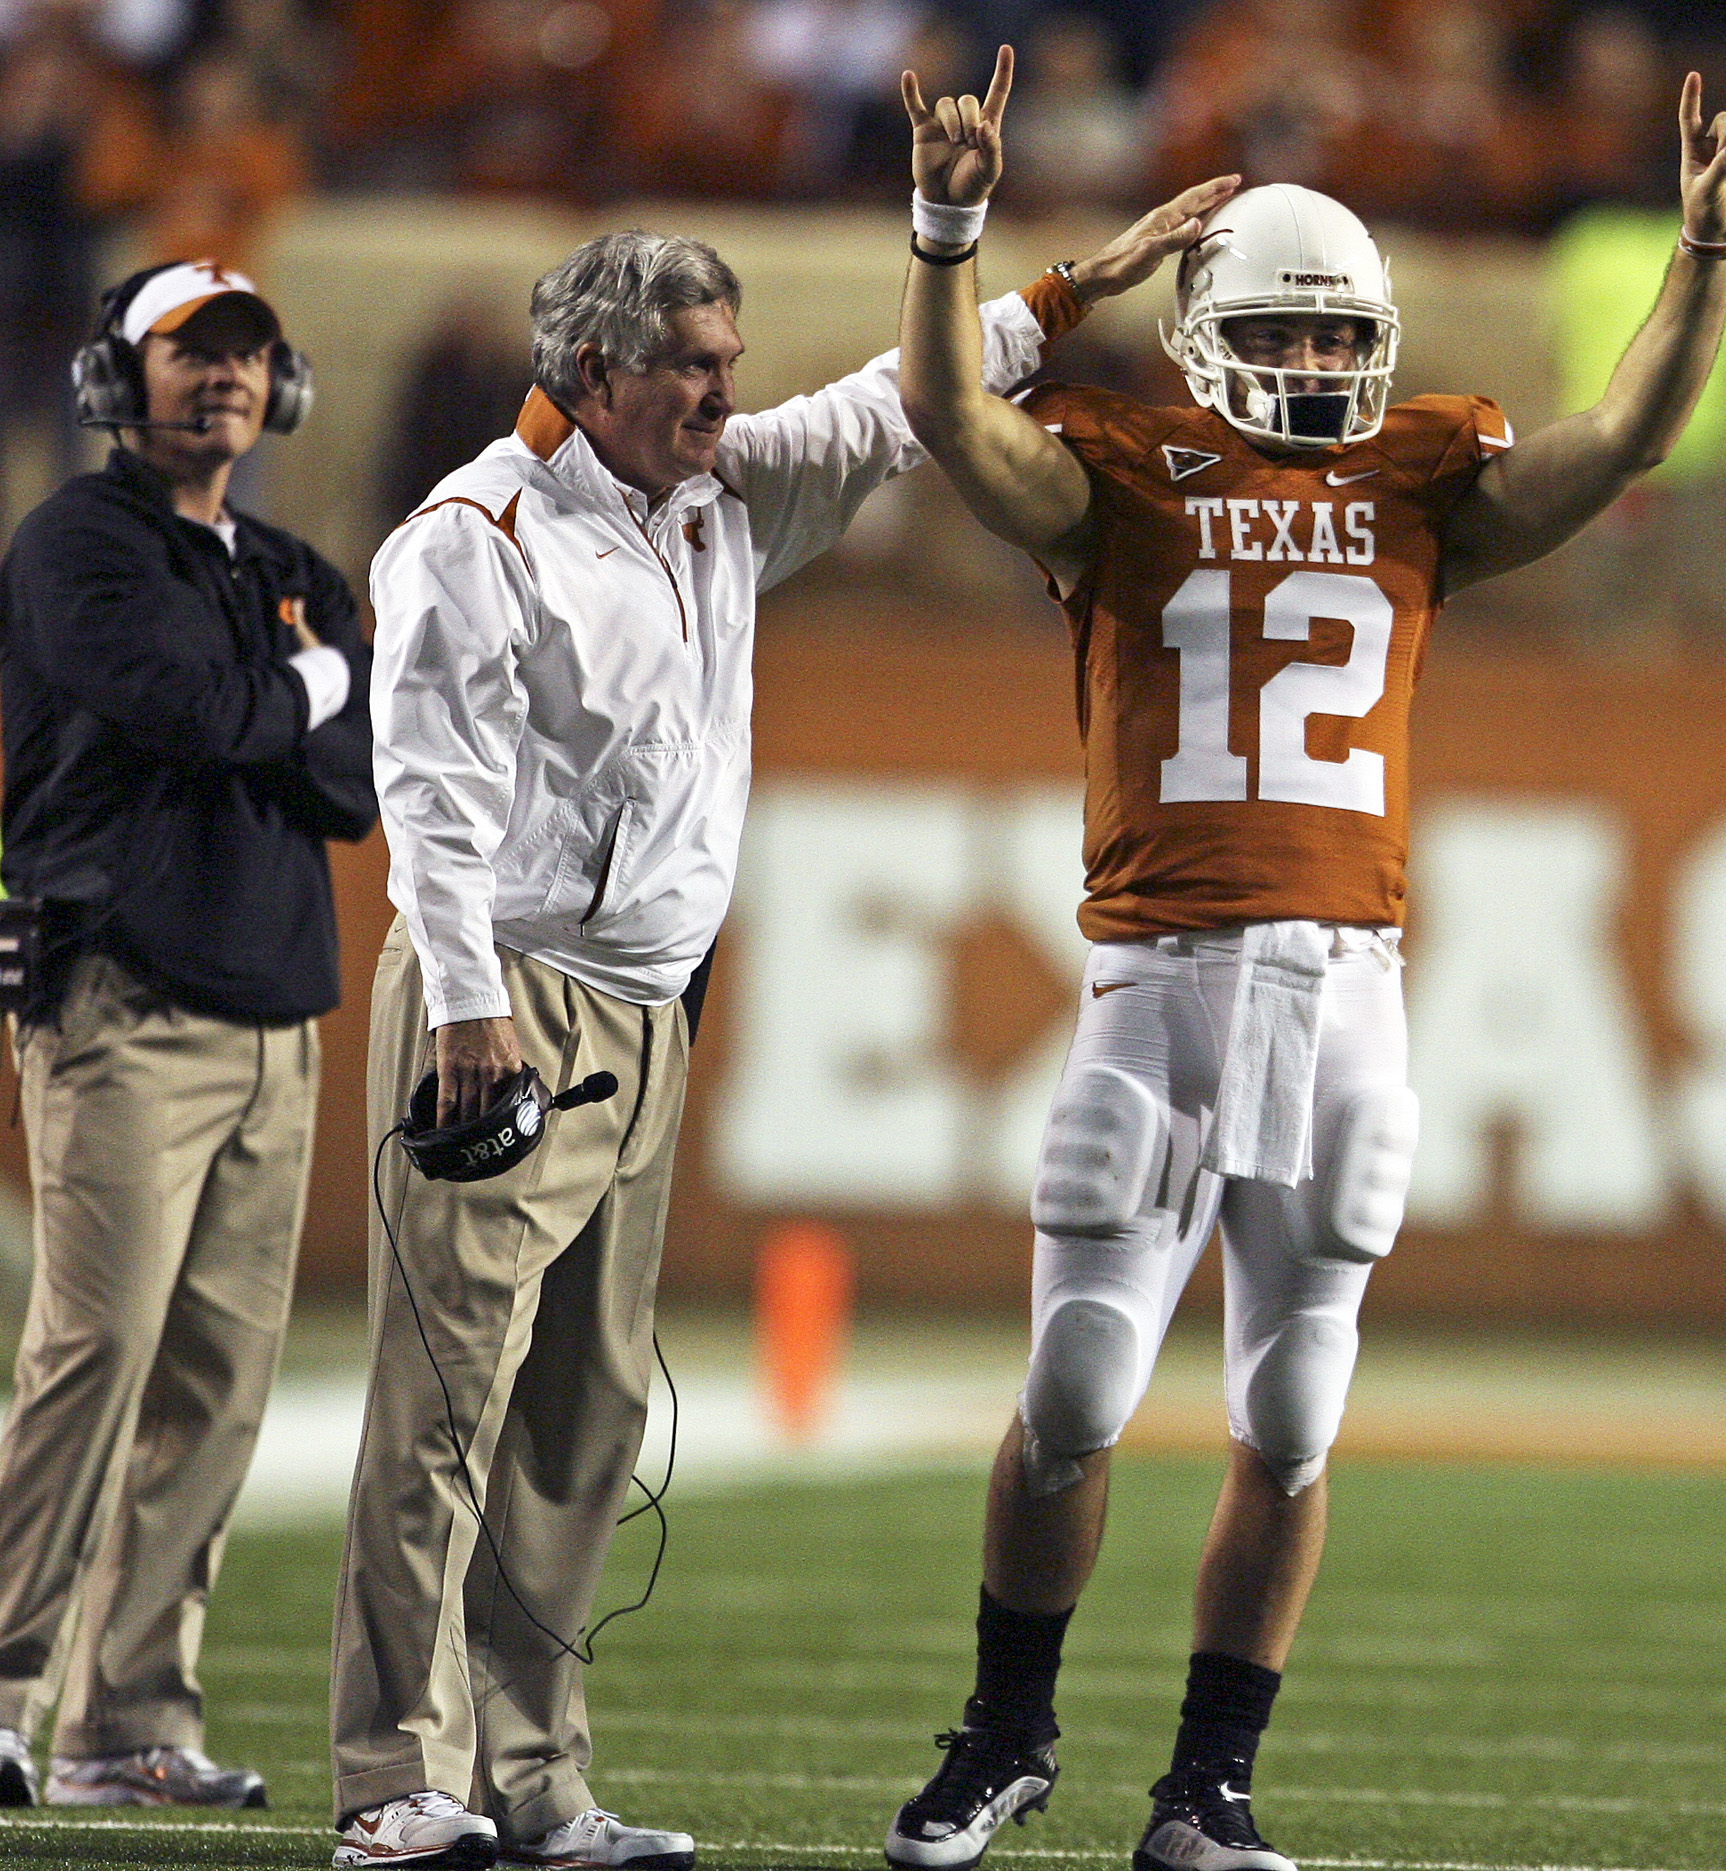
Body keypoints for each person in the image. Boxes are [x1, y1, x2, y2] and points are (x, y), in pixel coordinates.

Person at [884, 47, 1726, 1871]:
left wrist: (1703, 264)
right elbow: (955, 429)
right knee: (1072, 1399)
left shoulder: (1423, 472)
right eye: (1278, 334)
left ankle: (1207, 1790)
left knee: (1292, 1417)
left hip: (1346, 990)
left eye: (1329, 337)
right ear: (1212, 330)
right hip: (1156, 985)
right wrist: (953, 236)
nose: (1308, 367)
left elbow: (1626, 441)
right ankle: (1005, 1732)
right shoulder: (1121, 470)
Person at [334, 201, 1234, 1870]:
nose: (722, 396)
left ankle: (532, 1783)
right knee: (443, 1406)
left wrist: (1041, 283)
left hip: (646, 1009)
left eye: (730, 364)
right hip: (506, 1000)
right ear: (591, 369)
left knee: (584, 1419)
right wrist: (460, 1003)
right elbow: (433, 802)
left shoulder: (714, 502)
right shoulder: (477, 532)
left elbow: (901, 403)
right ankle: (395, 1776)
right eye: (690, 365)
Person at [0, 259, 374, 1809]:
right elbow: (196, 715)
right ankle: (8, 1690)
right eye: (186, 353)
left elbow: (348, 788)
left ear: (277, 385)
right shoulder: (77, 541)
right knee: (93, 1358)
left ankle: (124, 1717)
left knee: (217, 1384)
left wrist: (278, 694)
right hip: (125, 1006)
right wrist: (307, 683)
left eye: (244, 354)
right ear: (118, 377)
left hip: (275, 1016)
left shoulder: (292, 562)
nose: (220, 377)